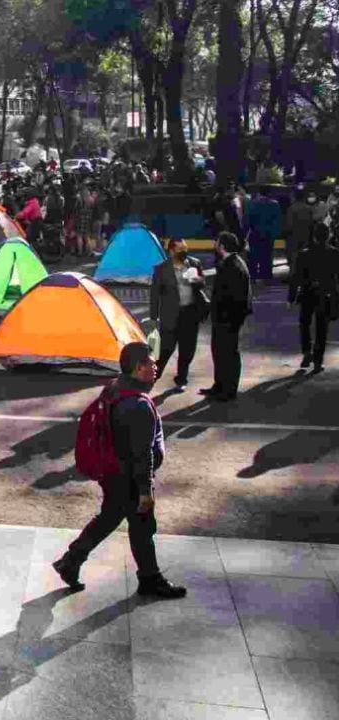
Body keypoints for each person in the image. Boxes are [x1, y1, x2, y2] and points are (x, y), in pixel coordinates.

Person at [52, 342, 187, 599]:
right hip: (130, 479)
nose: (155, 367)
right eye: (150, 362)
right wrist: (146, 491)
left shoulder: (116, 388)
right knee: (142, 527)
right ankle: (150, 579)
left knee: (109, 519)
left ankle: (71, 562)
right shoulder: (138, 406)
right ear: (138, 368)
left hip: (113, 473)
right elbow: (142, 454)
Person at [149, 239, 207, 390]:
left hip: (190, 313)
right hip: (170, 315)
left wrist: (197, 280)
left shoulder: (194, 264)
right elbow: (155, 295)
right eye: (180, 249)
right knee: (165, 350)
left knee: (187, 349)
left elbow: (203, 283)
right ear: (172, 251)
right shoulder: (161, 269)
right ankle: (152, 377)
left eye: (185, 248)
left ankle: (181, 380)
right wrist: (153, 317)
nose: (184, 252)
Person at [202, 232, 253, 402]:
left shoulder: (234, 266)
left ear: (222, 246)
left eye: (217, 242)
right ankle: (219, 385)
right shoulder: (229, 263)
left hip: (228, 318)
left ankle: (229, 389)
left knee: (228, 352)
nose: (215, 244)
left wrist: (227, 316)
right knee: (219, 351)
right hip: (223, 317)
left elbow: (235, 296)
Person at [289, 224, 339, 373]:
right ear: (328, 235)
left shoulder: (304, 254)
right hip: (325, 293)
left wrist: (291, 297)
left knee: (304, 323)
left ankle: (306, 352)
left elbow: (296, 277)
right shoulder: (334, 253)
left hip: (307, 293)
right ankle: (318, 360)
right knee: (321, 328)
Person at [245, 188, 282, 282]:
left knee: (253, 255)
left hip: (255, 233)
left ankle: (253, 275)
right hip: (268, 233)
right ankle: (265, 275)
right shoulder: (274, 204)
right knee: (267, 255)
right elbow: (277, 221)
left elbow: (248, 220)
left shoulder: (252, 203)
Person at [285, 188, 318, 274]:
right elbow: (312, 224)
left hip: (294, 237)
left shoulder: (291, 209)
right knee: (306, 258)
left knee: (293, 258)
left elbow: (289, 225)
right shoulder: (308, 209)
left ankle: (293, 276)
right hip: (305, 237)